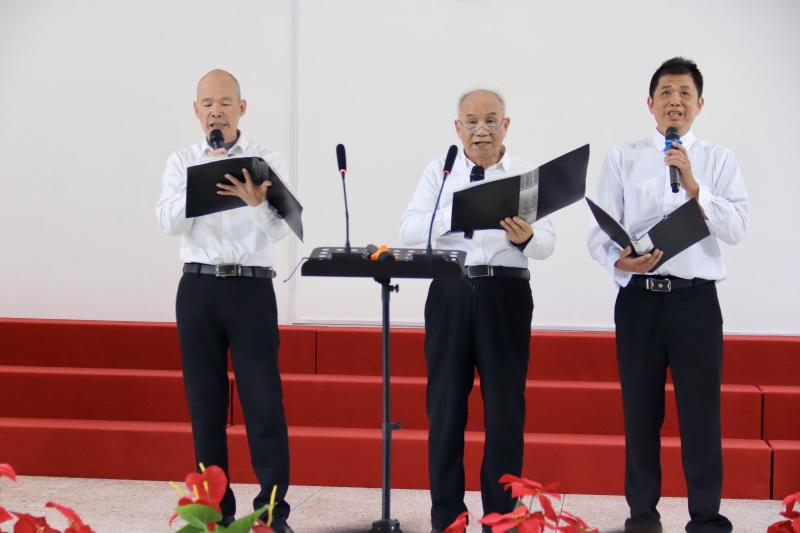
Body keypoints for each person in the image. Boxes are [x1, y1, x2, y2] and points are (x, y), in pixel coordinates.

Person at [587, 57, 749, 533]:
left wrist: (697, 189)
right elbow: (599, 234)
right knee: (640, 412)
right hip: (639, 300)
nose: (674, 101)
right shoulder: (623, 157)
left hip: (695, 302)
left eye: (684, 93)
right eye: (665, 92)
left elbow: (737, 228)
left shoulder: (719, 160)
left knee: (701, 413)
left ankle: (705, 518)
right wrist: (620, 260)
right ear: (650, 103)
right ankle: (642, 515)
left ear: (699, 104)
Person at [399, 89, 555, 533]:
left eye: (490, 120)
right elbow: (410, 228)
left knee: (505, 411)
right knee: (446, 408)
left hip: (506, 293)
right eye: (471, 121)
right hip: (451, 290)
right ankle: (447, 517)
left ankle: (502, 518)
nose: (480, 128)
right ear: (457, 127)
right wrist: (460, 208)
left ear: (506, 125)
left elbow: (547, 243)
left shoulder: (526, 173)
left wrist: (526, 237)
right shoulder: (440, 171)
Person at [156, 69, 294, 532]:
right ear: (197, 110)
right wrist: (204, 178)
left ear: (242, 108)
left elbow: (282, 229)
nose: (216, 110)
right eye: (208, 103)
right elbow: (167, 222)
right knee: (205, 405)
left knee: (263, 402)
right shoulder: (182, 160)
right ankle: (213, 511)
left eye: (225, 102)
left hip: (251, 288)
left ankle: (272, 513)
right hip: (198, 288)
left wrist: (257, 201)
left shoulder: (265, 159)